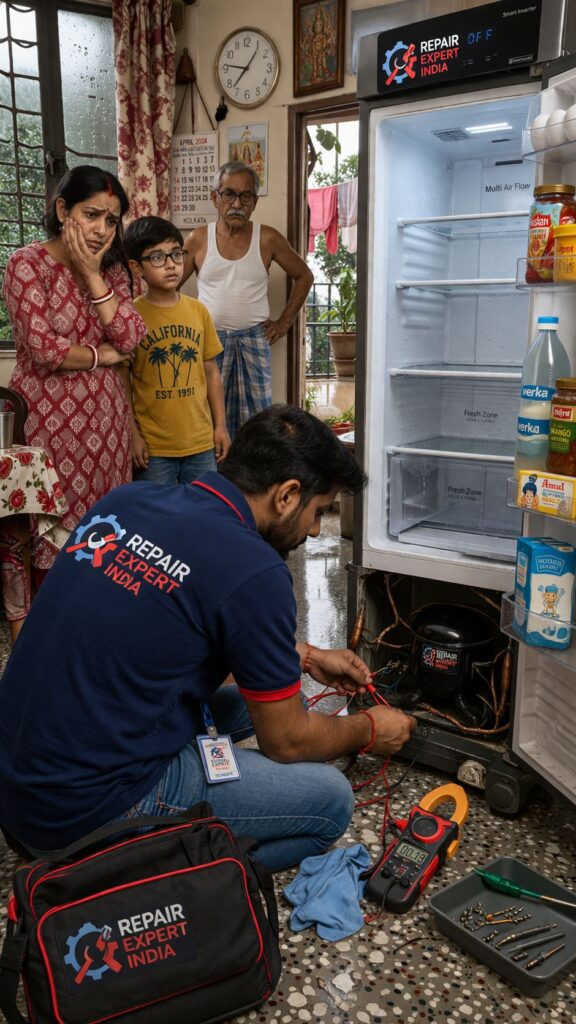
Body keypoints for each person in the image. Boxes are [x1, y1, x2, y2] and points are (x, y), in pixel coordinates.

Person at [0, 405, 415, 871]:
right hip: (83, 815)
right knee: (330, 802)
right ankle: (127, 877)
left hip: (16, 792)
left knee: (241, 707)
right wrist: (370, 730)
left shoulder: (125, 501)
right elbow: (287, 741)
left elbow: (166, 616)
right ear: (287, 495)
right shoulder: (255, 568)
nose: (316, 530)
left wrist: (305, 655)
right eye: (318, 512)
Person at [2, 164, 145, 624]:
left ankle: (100, 635)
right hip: (48, 428)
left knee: (107, 532)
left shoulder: (115, 272)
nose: (103, 229)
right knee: (54, 539)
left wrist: (92, 274)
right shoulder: (26, 265)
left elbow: (130, 338)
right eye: (92, 214)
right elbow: (44, 350)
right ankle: (52, 644)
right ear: (62, 209)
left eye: (111, 219)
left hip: (107, 429)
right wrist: (103, 357)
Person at [182, 161, 314, 438]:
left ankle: (252, 478)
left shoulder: (267, 238)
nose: (237, 203)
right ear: (214, 197)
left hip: (254, 341)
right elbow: (166, 286)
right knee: (206, 416)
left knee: (257, 421)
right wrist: (186, 329)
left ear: (254, 201)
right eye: (228, 194)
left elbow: (304, 276)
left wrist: (284, 323)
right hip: (209, 343)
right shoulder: (198, 239)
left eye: (246, 196)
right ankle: (214, 478)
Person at [123, 216, 231, 483]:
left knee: (202, 513)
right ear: (137, 268)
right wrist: (133, 435)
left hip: (201, 444)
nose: (170, 264)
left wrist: (221, 426)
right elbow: (122, 381)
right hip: (154, 448)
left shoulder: (198, 310)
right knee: (157, 518)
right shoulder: (130, 317)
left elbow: (211, 372)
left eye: (175, 254)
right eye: (157, 257)